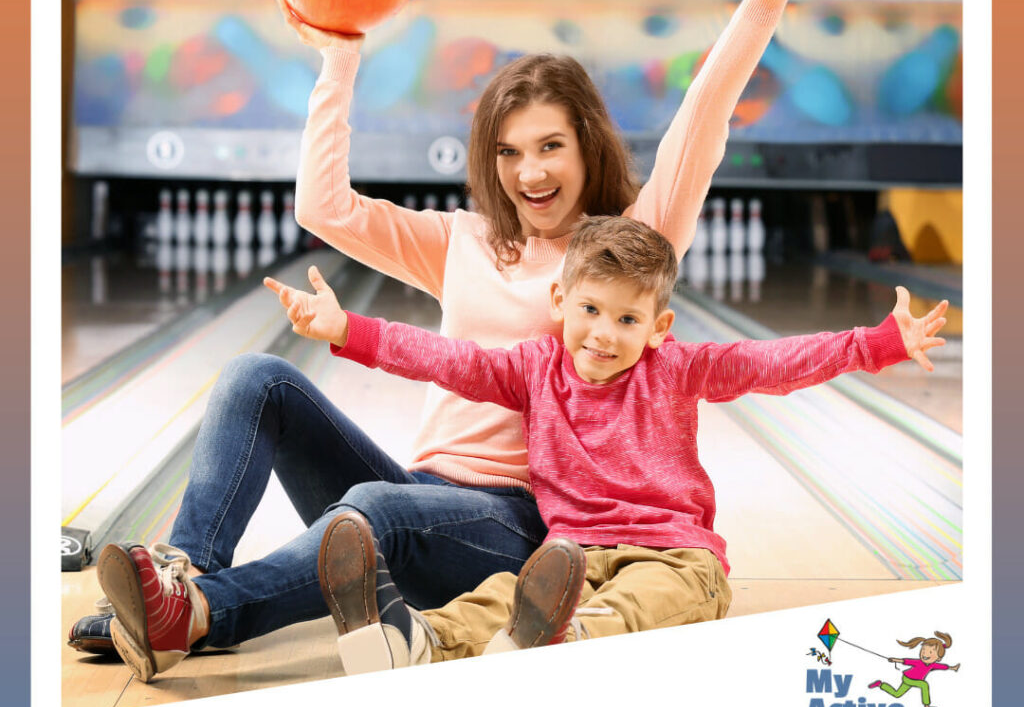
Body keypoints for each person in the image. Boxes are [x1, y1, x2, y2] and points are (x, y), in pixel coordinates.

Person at [78, 0, 803, 681]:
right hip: (416, 493)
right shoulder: (462, 239)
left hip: (518, 527)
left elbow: (704, 114)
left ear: (587, 145)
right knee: (258, 379)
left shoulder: (627, 247)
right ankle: (183, 580)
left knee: (377, 511)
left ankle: (207, 616)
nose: (528, 171)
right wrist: (340, 61)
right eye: (508, 151)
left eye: (549, 146)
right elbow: (325, 210)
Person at [260, 216, 948, 672]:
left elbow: (773, 364)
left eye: (626, 318)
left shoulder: (679, 368)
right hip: (570, 557)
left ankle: (566, 638)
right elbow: (449, 359)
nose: (603, 332)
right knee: (503, 594)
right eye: (590, 309)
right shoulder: (534, 368)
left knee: (648, 599)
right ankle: (414, 642)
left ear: (659, 325)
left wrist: (878, 343)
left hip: (676, 555)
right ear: (560, 302)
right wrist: (349, 328)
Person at [869, 631, 960, 707]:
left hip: (910, 681)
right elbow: (906, 661)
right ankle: (926, 706)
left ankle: (881, 684)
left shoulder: (932, 665)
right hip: (908, 678)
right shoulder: (918, 662)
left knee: (897, 694)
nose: (925, 654)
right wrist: (894, 660)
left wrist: (953, 668)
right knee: (924, 685)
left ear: (938, 658)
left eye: (930, 652)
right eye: (923, 651)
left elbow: (943, 667)